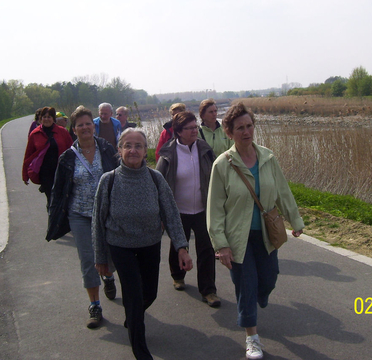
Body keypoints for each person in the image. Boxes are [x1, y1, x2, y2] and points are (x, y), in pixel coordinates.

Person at [207, 102, 304, 360]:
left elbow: (282, 191)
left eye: (249, 126)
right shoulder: (222, 165)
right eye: (240, 128)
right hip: (237, 238)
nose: (246, 132)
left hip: (265, 235)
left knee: (269, 277)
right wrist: (221, 244)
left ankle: (261, 296)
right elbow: (215, 209)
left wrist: (295, 221)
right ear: (229, 132)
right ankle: (252, 337)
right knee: (246, 285)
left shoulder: (268, 158)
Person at [93, 128, 193, 360]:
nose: (133, 150)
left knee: (150, 293)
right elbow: (98, 223)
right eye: (127, 145)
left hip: (149, 243)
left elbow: (171, 213)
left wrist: (182, 247)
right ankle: (141, 351)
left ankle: (133, 316)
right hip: (120, 245)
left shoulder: (155, 178)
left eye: (138, 145)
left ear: (145, 150)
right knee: (134, 296)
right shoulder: (108, 181)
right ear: (119, 150)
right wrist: (100, 257)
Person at [48, 106, 118, 329]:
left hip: (106, 215)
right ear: (74, 129)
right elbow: (58, 190)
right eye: (80, 125)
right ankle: (95, 305)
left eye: (89, 123)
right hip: (79, 215)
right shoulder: (67, 157)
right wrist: (55, 215)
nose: (85, 127)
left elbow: (121, 177)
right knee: (88, 260)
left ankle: (108, 276)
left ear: (93, 126)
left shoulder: (107, 150)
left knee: (109, 257)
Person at [156, 111, 220, 307]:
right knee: (178, 246)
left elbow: (217, 174)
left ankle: (208, 290)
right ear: (178, 132)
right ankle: (178, 275)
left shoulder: (204, 149)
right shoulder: (168, 153)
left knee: (207, 250)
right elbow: (158, 182)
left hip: (203, 209)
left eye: (195, 127)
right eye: (190, 128)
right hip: (178, 211)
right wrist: (160, 213)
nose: (195, 131)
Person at [23, 106, 72, 205]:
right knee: (51, 199)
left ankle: (60, 218)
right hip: (45, 173)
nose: (46, 119)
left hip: (61, 171)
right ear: (40, 119)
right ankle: (53, 219)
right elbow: (29, 155)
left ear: (53, 119)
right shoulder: (35, 134)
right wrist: (25, 175)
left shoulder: (62, 132)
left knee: (63, 198)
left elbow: (71, 149)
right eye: (44, 117)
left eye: (49, 117)